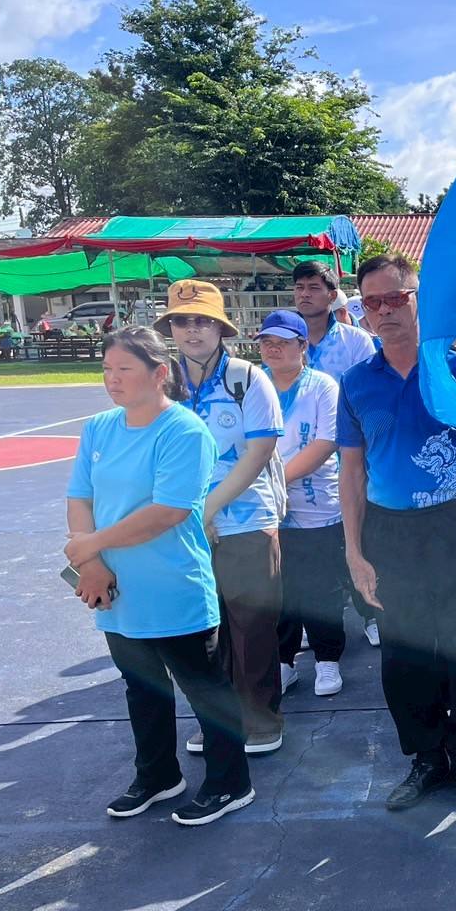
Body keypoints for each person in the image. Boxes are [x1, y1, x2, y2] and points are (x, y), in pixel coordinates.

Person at [64, 326, 253, 826]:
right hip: (114, 589)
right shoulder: (99, 428)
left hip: (172, 586)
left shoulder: (184, 432)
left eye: (124, 369)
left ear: (158, 373)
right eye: (106, 369)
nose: (112, 379)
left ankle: (231, 783)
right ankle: (158, 776)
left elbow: (168, 512)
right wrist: (90, 564)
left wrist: (90, 546)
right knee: (141, 687)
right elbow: (80, 497)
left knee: (204, 689)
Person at [338, 255, 456, 809]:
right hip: (391, 532)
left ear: (418, 300)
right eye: (372, 302)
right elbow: (352, 472)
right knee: (406, 655)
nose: (384, 311)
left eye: (396, 298)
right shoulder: (356, 383)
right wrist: (354, 552)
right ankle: (426, 758)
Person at [156, 280, 286, 756]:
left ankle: (261, 720)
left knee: (251, 627)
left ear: (220, 327)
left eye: (203, 321)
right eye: (182, 321)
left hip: (247, 521)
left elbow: (259, 451)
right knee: (202, 631)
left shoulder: (247, 379)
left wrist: (207, 509)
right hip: (181, 525)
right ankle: (219, 721)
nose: (192, 330)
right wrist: (188, 513)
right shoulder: (162, 382)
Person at [292, 260, 381, 648]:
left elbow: (369, 398)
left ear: (332, 296)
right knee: (314, 550)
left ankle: (371, 612)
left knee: (358, 536)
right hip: (302, 463)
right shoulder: (285, 340)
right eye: (299, 288)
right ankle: (317, 625)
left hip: (350, 455)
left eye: (314, 287)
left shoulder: (355, 341)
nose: (305, 294)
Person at [258, 310, 346, 698]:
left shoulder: (322, 386)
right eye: (267, 342)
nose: (273, 348)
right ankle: (284, 661)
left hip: (316, 506)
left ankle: (327, 659)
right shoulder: (253, 385)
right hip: (263, 507)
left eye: (282, 342)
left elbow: (326, 442)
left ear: (302, 346)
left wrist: (274, 481)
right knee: (278, 590)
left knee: (320, 587)